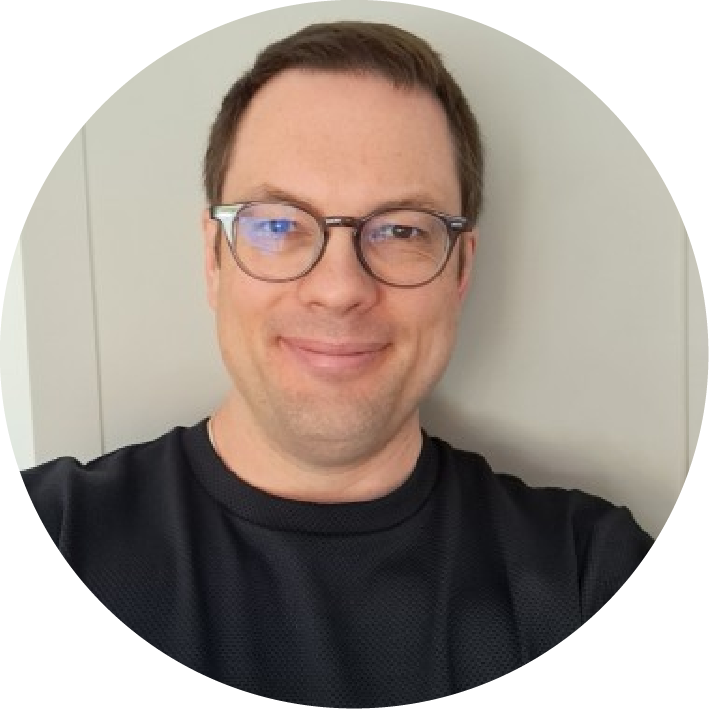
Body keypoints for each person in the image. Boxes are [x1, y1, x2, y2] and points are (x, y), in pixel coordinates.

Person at [21, 21, 652, 707]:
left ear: (461, 270)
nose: (339, 288)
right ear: (213, 258)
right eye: (278, 223)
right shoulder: (44, 541)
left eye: (401, 229)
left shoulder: (589, 578)